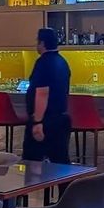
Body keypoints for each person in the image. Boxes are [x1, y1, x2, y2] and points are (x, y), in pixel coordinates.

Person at [23, 27, 71, 164]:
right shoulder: (63, 62)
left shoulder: (43, 63)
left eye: (37, 41)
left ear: (42, 43)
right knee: (60, 163)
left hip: (46, 121)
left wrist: (37, 122)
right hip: (61, 119)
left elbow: (42, 93)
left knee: (32, 163)